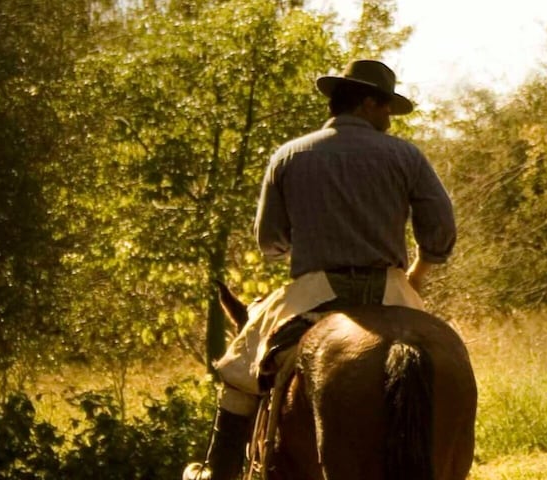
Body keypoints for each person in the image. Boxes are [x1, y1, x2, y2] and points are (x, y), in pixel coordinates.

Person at [185, 59, 455, 480]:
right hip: (391, 289)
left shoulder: (290, 155)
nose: (389, 116)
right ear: (367, 103)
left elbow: (270, 242)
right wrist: (417, 275)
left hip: (315, 290)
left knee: (238, 370)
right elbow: (440, 230)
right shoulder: (406, 155)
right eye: (386, 106)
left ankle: (217, 472)